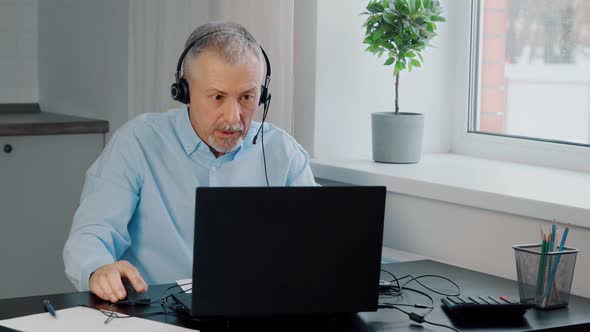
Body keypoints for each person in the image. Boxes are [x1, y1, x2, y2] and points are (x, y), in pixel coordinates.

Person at [63, 22, 317, 303]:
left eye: (247, 97)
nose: (233, 118)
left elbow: (318, 245)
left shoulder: (284, 154)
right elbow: (92, 233)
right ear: (183, 93)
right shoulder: (138, 142)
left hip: (256, 311)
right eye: (217, 97)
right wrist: (98, 268)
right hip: (157, 315)